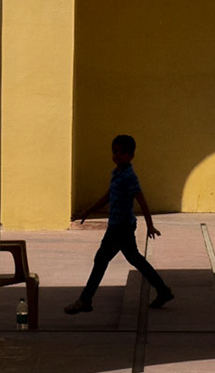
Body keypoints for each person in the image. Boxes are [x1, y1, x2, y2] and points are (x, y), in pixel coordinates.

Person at [64, 134, 174, 314]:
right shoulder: (117, 174)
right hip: (119, 226)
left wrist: (150, 225)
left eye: (122, 152)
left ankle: (85, 300)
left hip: (120, 228)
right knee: (133, 259)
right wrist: (89, 210)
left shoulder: (129, 176)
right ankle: (163, 290)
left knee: (101, 260)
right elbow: (108, 196)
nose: (117, 155)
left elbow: (142, 201)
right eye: (115, 151)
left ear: (131, 155)